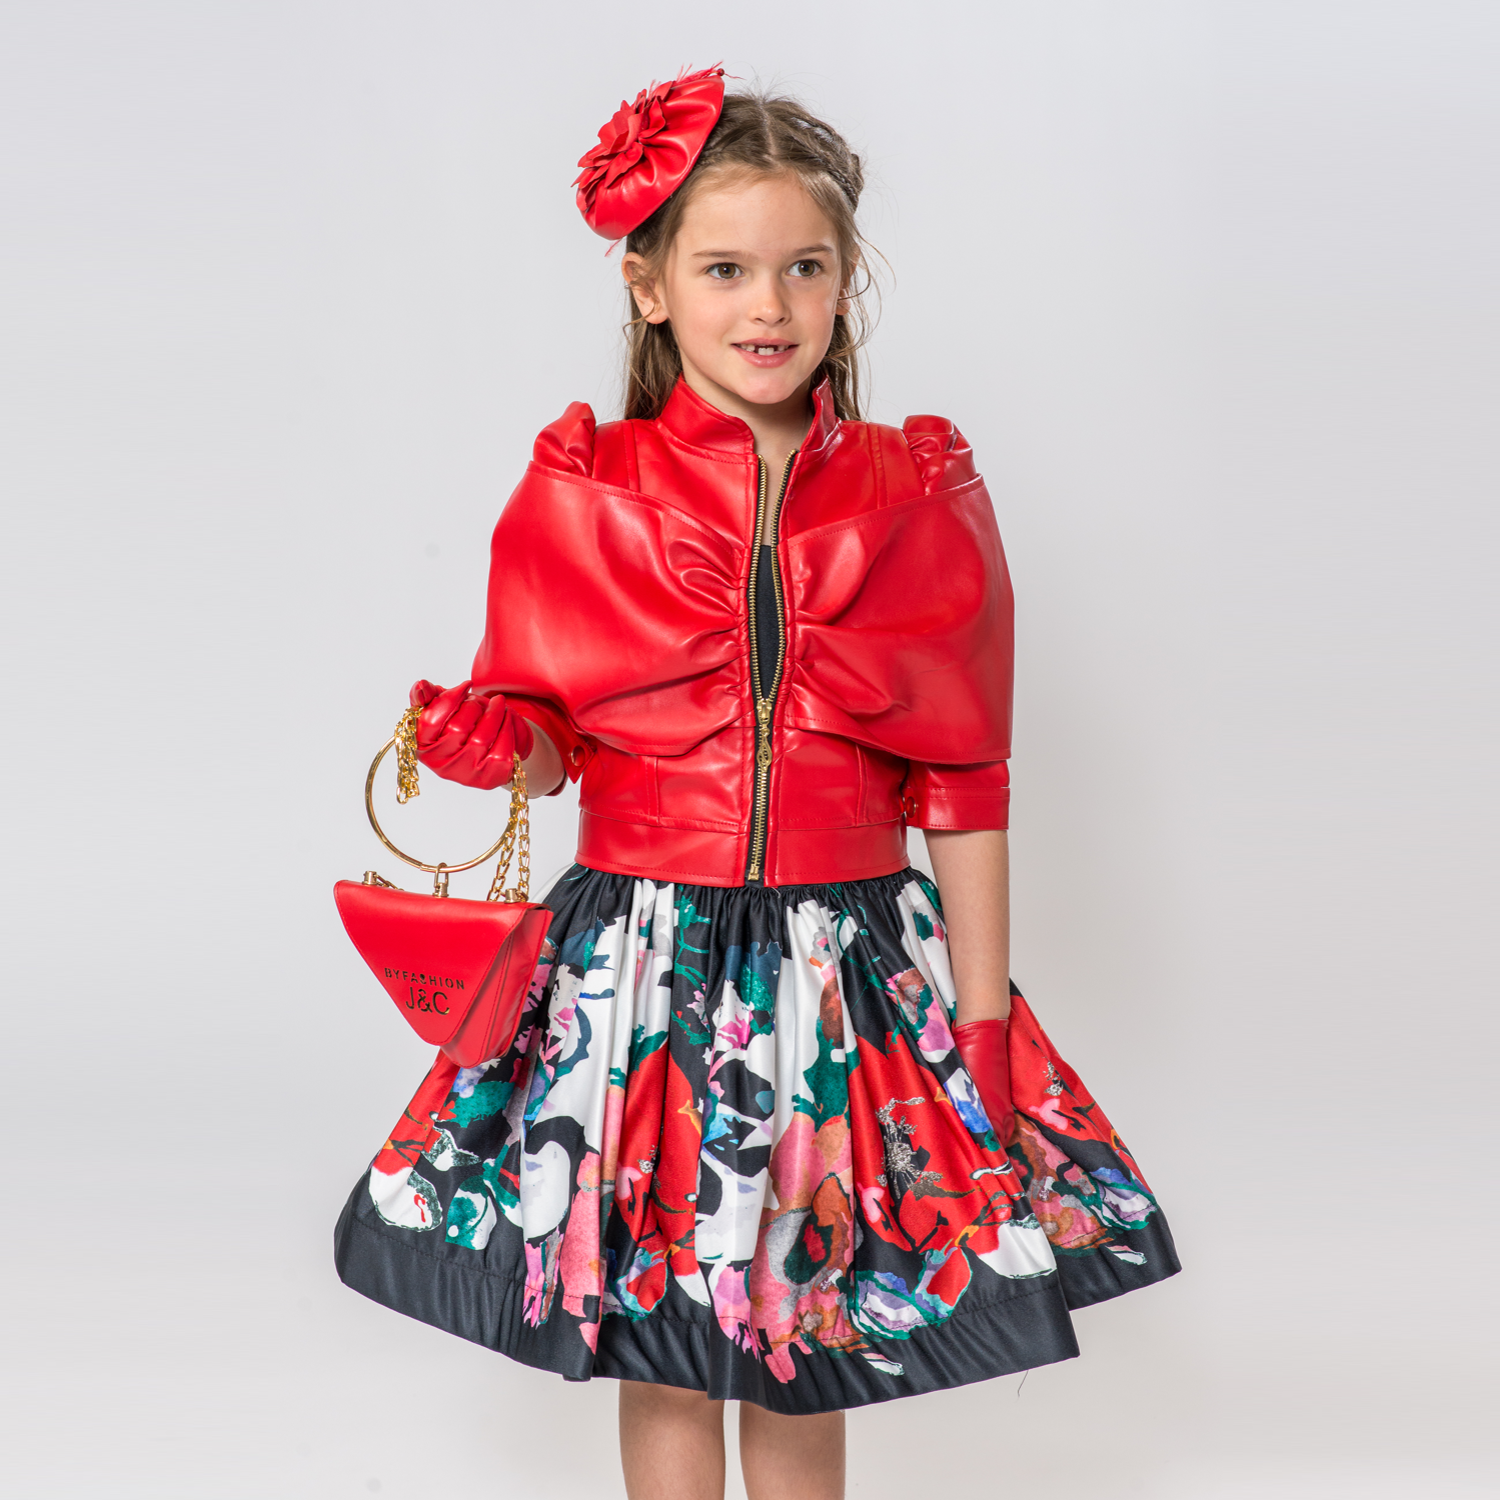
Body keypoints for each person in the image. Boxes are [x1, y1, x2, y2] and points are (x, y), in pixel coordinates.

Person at [334, 68, 1180, 1500]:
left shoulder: (919, 494)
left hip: (838, 967)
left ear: (848, 280)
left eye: (805, 267)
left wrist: (982, 1024)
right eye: (725, 268)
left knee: (810, 1321)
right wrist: (490, 747)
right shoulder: (582, 488)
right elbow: (549, 734)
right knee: (663, 1335)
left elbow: (966, 781)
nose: (769, 305)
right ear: (650, 284)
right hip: (638, 964)